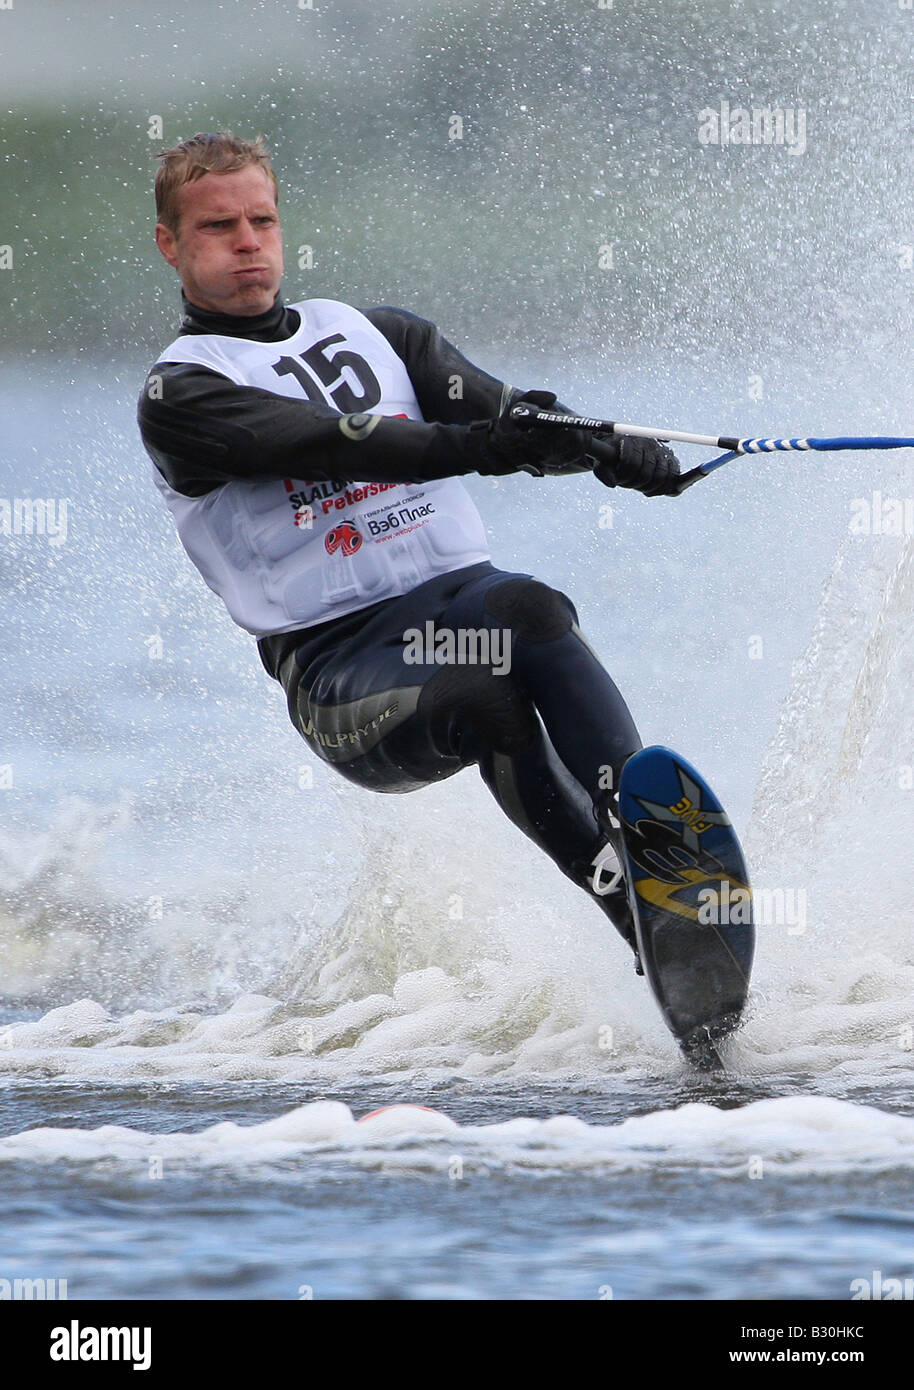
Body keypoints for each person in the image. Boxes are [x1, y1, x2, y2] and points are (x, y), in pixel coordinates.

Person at [137, 131, 682, 985]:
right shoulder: (182, 394)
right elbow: (342, 442)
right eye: (217, 228)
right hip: (345, 674)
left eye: (261, 220)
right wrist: (488, 446)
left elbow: (517, 420)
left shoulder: (385, 334)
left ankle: (656, 853)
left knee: (531, 612)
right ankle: (634, 916)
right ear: (171, 245)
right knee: (485, 692)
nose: (247, 242)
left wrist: (610, 449)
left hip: (457, 603)